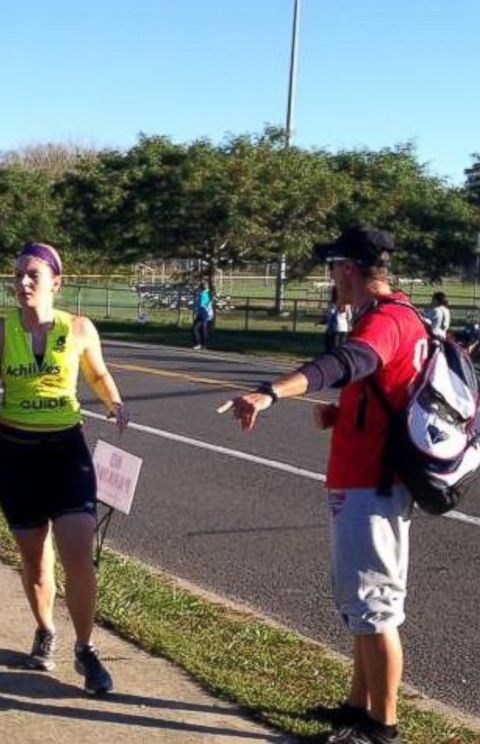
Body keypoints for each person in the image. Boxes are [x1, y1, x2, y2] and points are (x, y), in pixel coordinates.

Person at [218, 226, 426, 744]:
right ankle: (358, 707)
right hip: (365, 476)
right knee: (362, 603)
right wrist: (343, 413)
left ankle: (383, 726)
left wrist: (272, 392)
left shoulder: (385, 322)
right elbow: (389, 390)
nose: (331, 278)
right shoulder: (401, 315)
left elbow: (345, 363)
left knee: (376, 607)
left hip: (372, 484)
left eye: (333, 268)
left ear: (349, 269)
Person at [0, 241, 129, 696]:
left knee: (78, 554)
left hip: (66, 450)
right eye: (18, 275)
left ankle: (87, 649)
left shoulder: (80, 328)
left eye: (33, 275)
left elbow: (98, 374)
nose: (23, 282)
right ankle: (45, 629)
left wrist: (114, 402)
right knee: (34, 558)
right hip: (15, 452)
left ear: (56, 283)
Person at [324, 287, 354, 352]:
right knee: (342, 346)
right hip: (344, 328)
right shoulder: (346, 304)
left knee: (334, 346)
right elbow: (349, 316)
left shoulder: (333, 304)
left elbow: (330, 316)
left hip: (336, 327)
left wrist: (328, 326)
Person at [191, 280, 214, 350]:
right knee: (196, 329)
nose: (204, 286)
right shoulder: (201, 293)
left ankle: (202, 344)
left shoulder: (207, 293)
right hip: (201, 313)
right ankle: (201, 344)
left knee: (201, 329)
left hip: (205, 313)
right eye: (203, 285)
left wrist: (208, 313)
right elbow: (198, 303)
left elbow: (207, 303)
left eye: (205, 285)